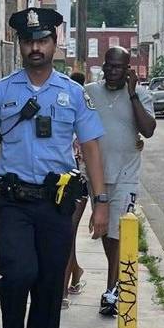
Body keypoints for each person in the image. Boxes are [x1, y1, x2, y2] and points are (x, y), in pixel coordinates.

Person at [0, 7, 110, 328]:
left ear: (54, 42)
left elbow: (92, 148)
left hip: (56, 205)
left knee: (50, 284)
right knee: (18, 274)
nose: (35, 48)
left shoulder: (74, 94)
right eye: (28, 41)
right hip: (14, 202)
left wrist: (101, 202)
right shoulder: (2, 92)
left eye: (42, 40)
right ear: (20, 46)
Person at [83, 46, 156, 315]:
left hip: (126, 174)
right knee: (105, 231)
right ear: (103, 66)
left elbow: (147, 130)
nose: (113, 71)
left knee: (118, 231)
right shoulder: (90, 92)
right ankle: (114, 283)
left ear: (128, 70)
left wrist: (134, 94)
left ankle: (112, 290)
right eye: (109, 66)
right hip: (98, 175)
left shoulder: (141, 95)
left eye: (119, 67)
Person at [62, 71, 89, 310]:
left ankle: (61, 290)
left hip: (81, 180)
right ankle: (76, 271)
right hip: (62, 180)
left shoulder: (85, 107)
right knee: (64, 233)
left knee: (68, 232)